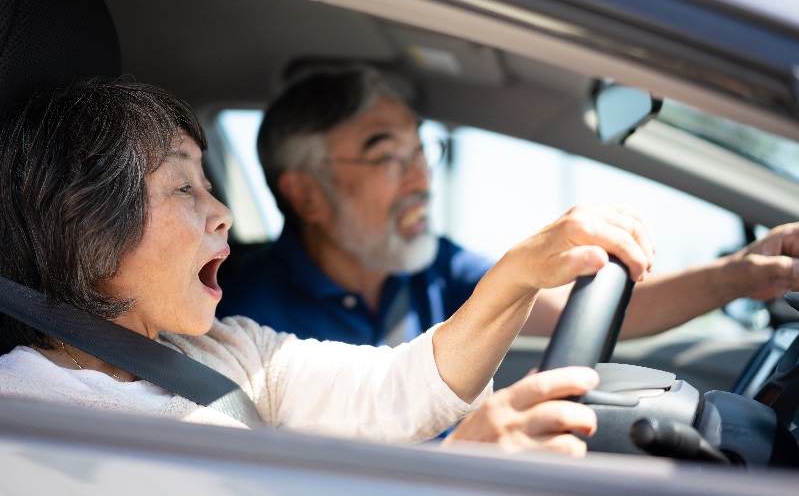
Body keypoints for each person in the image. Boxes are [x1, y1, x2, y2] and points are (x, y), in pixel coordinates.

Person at [0, 78, 655, 456]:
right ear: (89, 223)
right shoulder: (25, 417)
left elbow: (398, 391)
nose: (223, 211)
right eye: (182, 188)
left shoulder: (231, 351)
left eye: (210, 184)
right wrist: (460, 466)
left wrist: (518, 271)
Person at [217, 65, 799, 347]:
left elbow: (581, 304)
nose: (421, 177)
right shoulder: (234, 310)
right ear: (307, 192)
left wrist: (739, 276)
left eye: (423, 150)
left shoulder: (439, 269)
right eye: (388, 155)